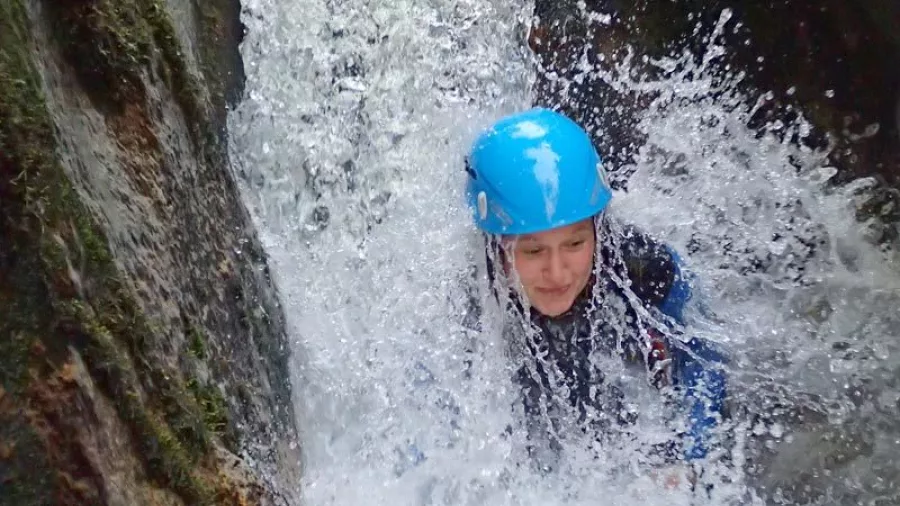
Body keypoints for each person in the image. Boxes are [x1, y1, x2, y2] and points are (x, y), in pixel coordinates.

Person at [463, 107, 729, 489]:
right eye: (533, 251)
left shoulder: (643, 268)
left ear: (597, 230)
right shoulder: (463, 303)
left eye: (575, 243)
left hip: (615, 390)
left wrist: (692, 457)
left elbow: (707, 357)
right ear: (493, 246)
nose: (558, 273)